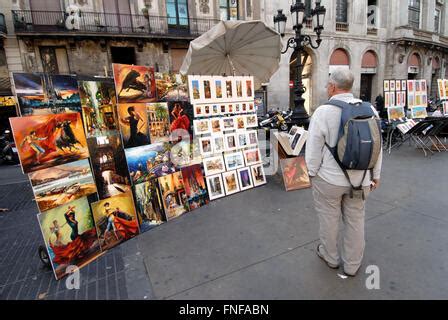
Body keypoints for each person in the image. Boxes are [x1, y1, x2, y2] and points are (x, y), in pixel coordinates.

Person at [305, 68, 383, 277]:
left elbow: (313, 148)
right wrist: (375, 175)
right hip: (361, 179)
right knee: (356, 220)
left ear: (332, 86)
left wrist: (312, 173)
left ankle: (330, 257)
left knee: (328, 219)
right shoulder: (370, 110)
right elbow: (378, 146)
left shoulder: (323, 111)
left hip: (329, 180)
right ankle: (352, 265)